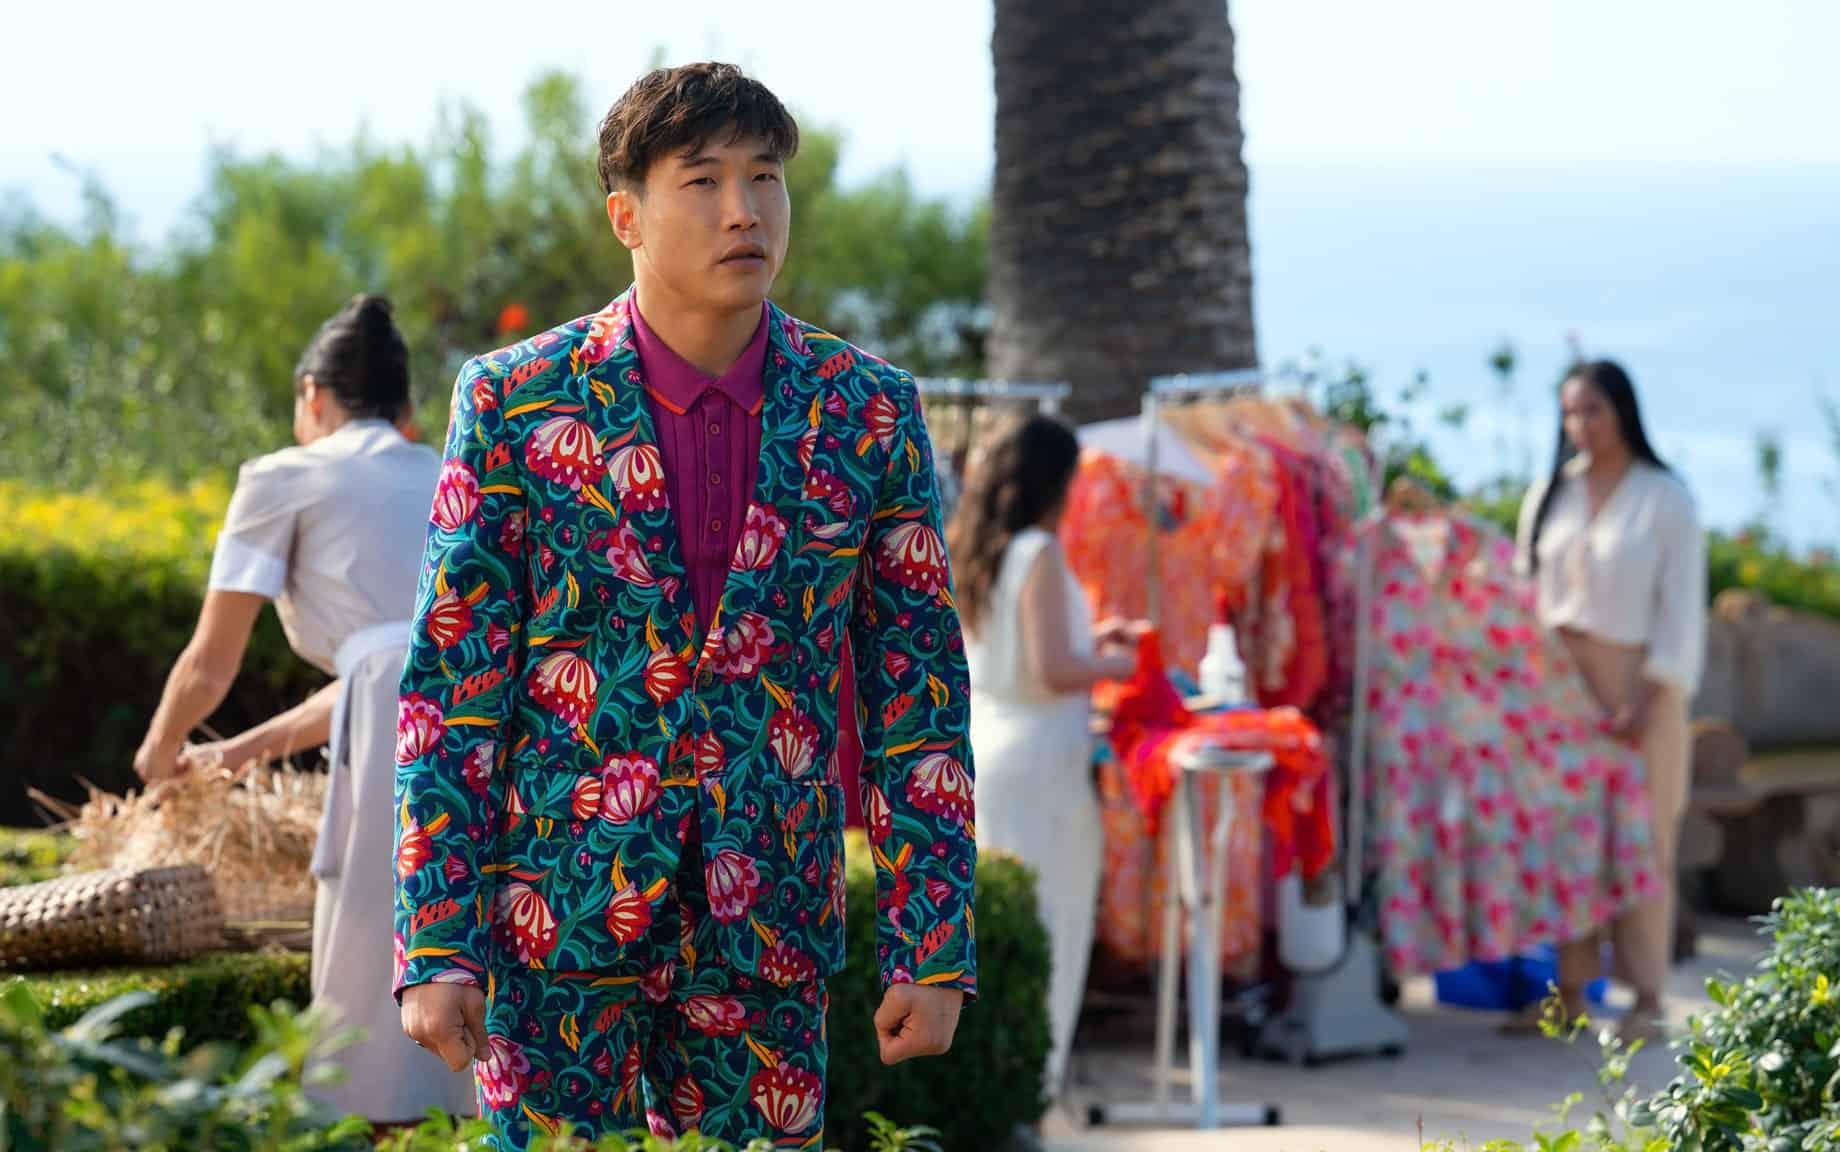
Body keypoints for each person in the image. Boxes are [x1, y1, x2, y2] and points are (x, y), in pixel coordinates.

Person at [392, 63, 977, 1149]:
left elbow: (919, 700)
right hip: (554, 920)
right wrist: (435, 944)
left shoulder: (869, 411)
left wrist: (930, 944)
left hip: (769, 933)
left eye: (765, 179)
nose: (743, 210)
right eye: (701, 182)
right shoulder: (513, 402)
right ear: (626, 215)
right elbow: (449, 693)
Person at [133, 294, 476, 1122]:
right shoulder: (445, 468)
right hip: (479, 707)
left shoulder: (283, 476)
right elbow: (392, 660)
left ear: (312, 397)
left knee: (373, 962)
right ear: (405, 411)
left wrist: (157, 756)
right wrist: (238, 753)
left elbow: (208, 663)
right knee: (468, 944)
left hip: (395, 724)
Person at [949, 414, 1145, 1102]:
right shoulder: (1038, 551)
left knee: (998, 935)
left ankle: (998, 1095)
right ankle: (1028, 1094)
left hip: (991, 745)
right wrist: (1114, 662)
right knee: (1050, 929)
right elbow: (1054, 666)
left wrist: (1092, 643)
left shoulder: (980, 551)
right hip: (1039, 761)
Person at [1513, 358, 1705, 1043]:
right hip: (1560, 684)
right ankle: (1569, 991)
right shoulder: (1548, 495)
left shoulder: (1665, 498)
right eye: (1570, 412)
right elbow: (1523, 592)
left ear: (1622, 410)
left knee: (1646, 840)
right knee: (1568, 843)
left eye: (1592, 410)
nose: (1581, 425)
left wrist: (1646, 701)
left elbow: (1681, 613)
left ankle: (1646, 997)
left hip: (1639, 682)